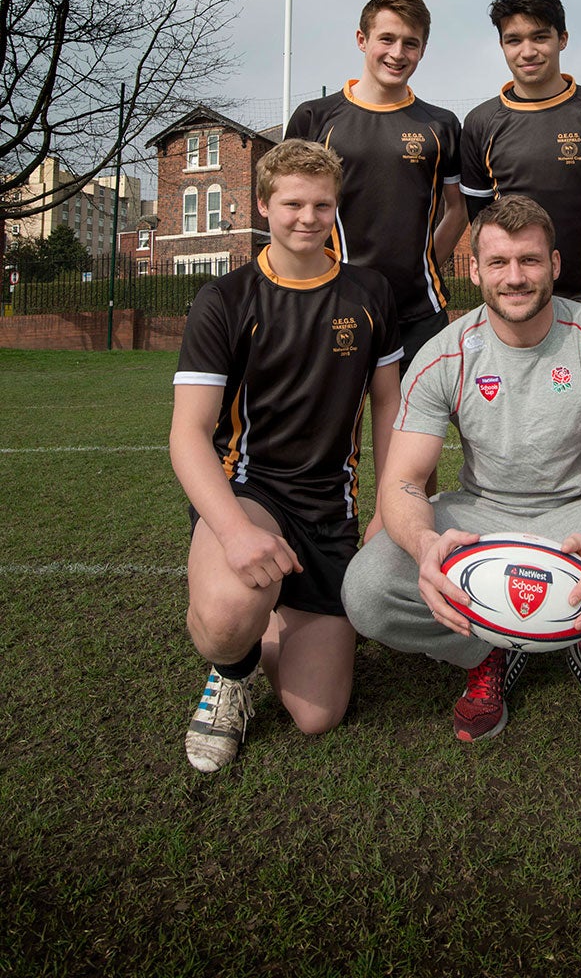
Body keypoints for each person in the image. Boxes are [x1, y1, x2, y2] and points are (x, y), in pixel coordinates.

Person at [342, 194, 581, 746]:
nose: (514, 277)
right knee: (368, 592)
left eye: (529, 261)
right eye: (497, 262)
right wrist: (423, 543)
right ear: (473, 269)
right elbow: (401, 481)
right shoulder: (443, 354)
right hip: (482, 514)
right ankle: (489, 646)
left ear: (555, 265)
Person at [170, 140, 402, 772]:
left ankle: (276, 612)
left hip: (332, 508)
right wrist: (234, 532)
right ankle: (232, 674)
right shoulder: (226, 300)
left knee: (316, 717)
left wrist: (390, 505)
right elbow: (188, 435)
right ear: (265, 204)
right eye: (292, 203)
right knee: (224, 616)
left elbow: (389, 409)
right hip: (253, 492)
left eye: (322, 205)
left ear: (337, 208)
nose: (307, 217)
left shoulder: (370, 293)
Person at [286, 0, 466, 374]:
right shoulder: (315, 118)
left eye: (411, 44)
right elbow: (289, 208)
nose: (398, 53)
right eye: (387, 39)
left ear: (422, 50)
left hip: (419, 313)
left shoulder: (441, 125)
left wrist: (428, 262)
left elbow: (458, 207)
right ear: (361, 39)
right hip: (332, 304)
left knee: (415, 430)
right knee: (328, 429)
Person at [460, 0, 581, 306]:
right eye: (513, 40)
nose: (527, 51)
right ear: (502, 45)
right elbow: (479, 221)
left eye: (540, 37)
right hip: (515, 303)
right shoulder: (480, 123)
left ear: (563, 39)